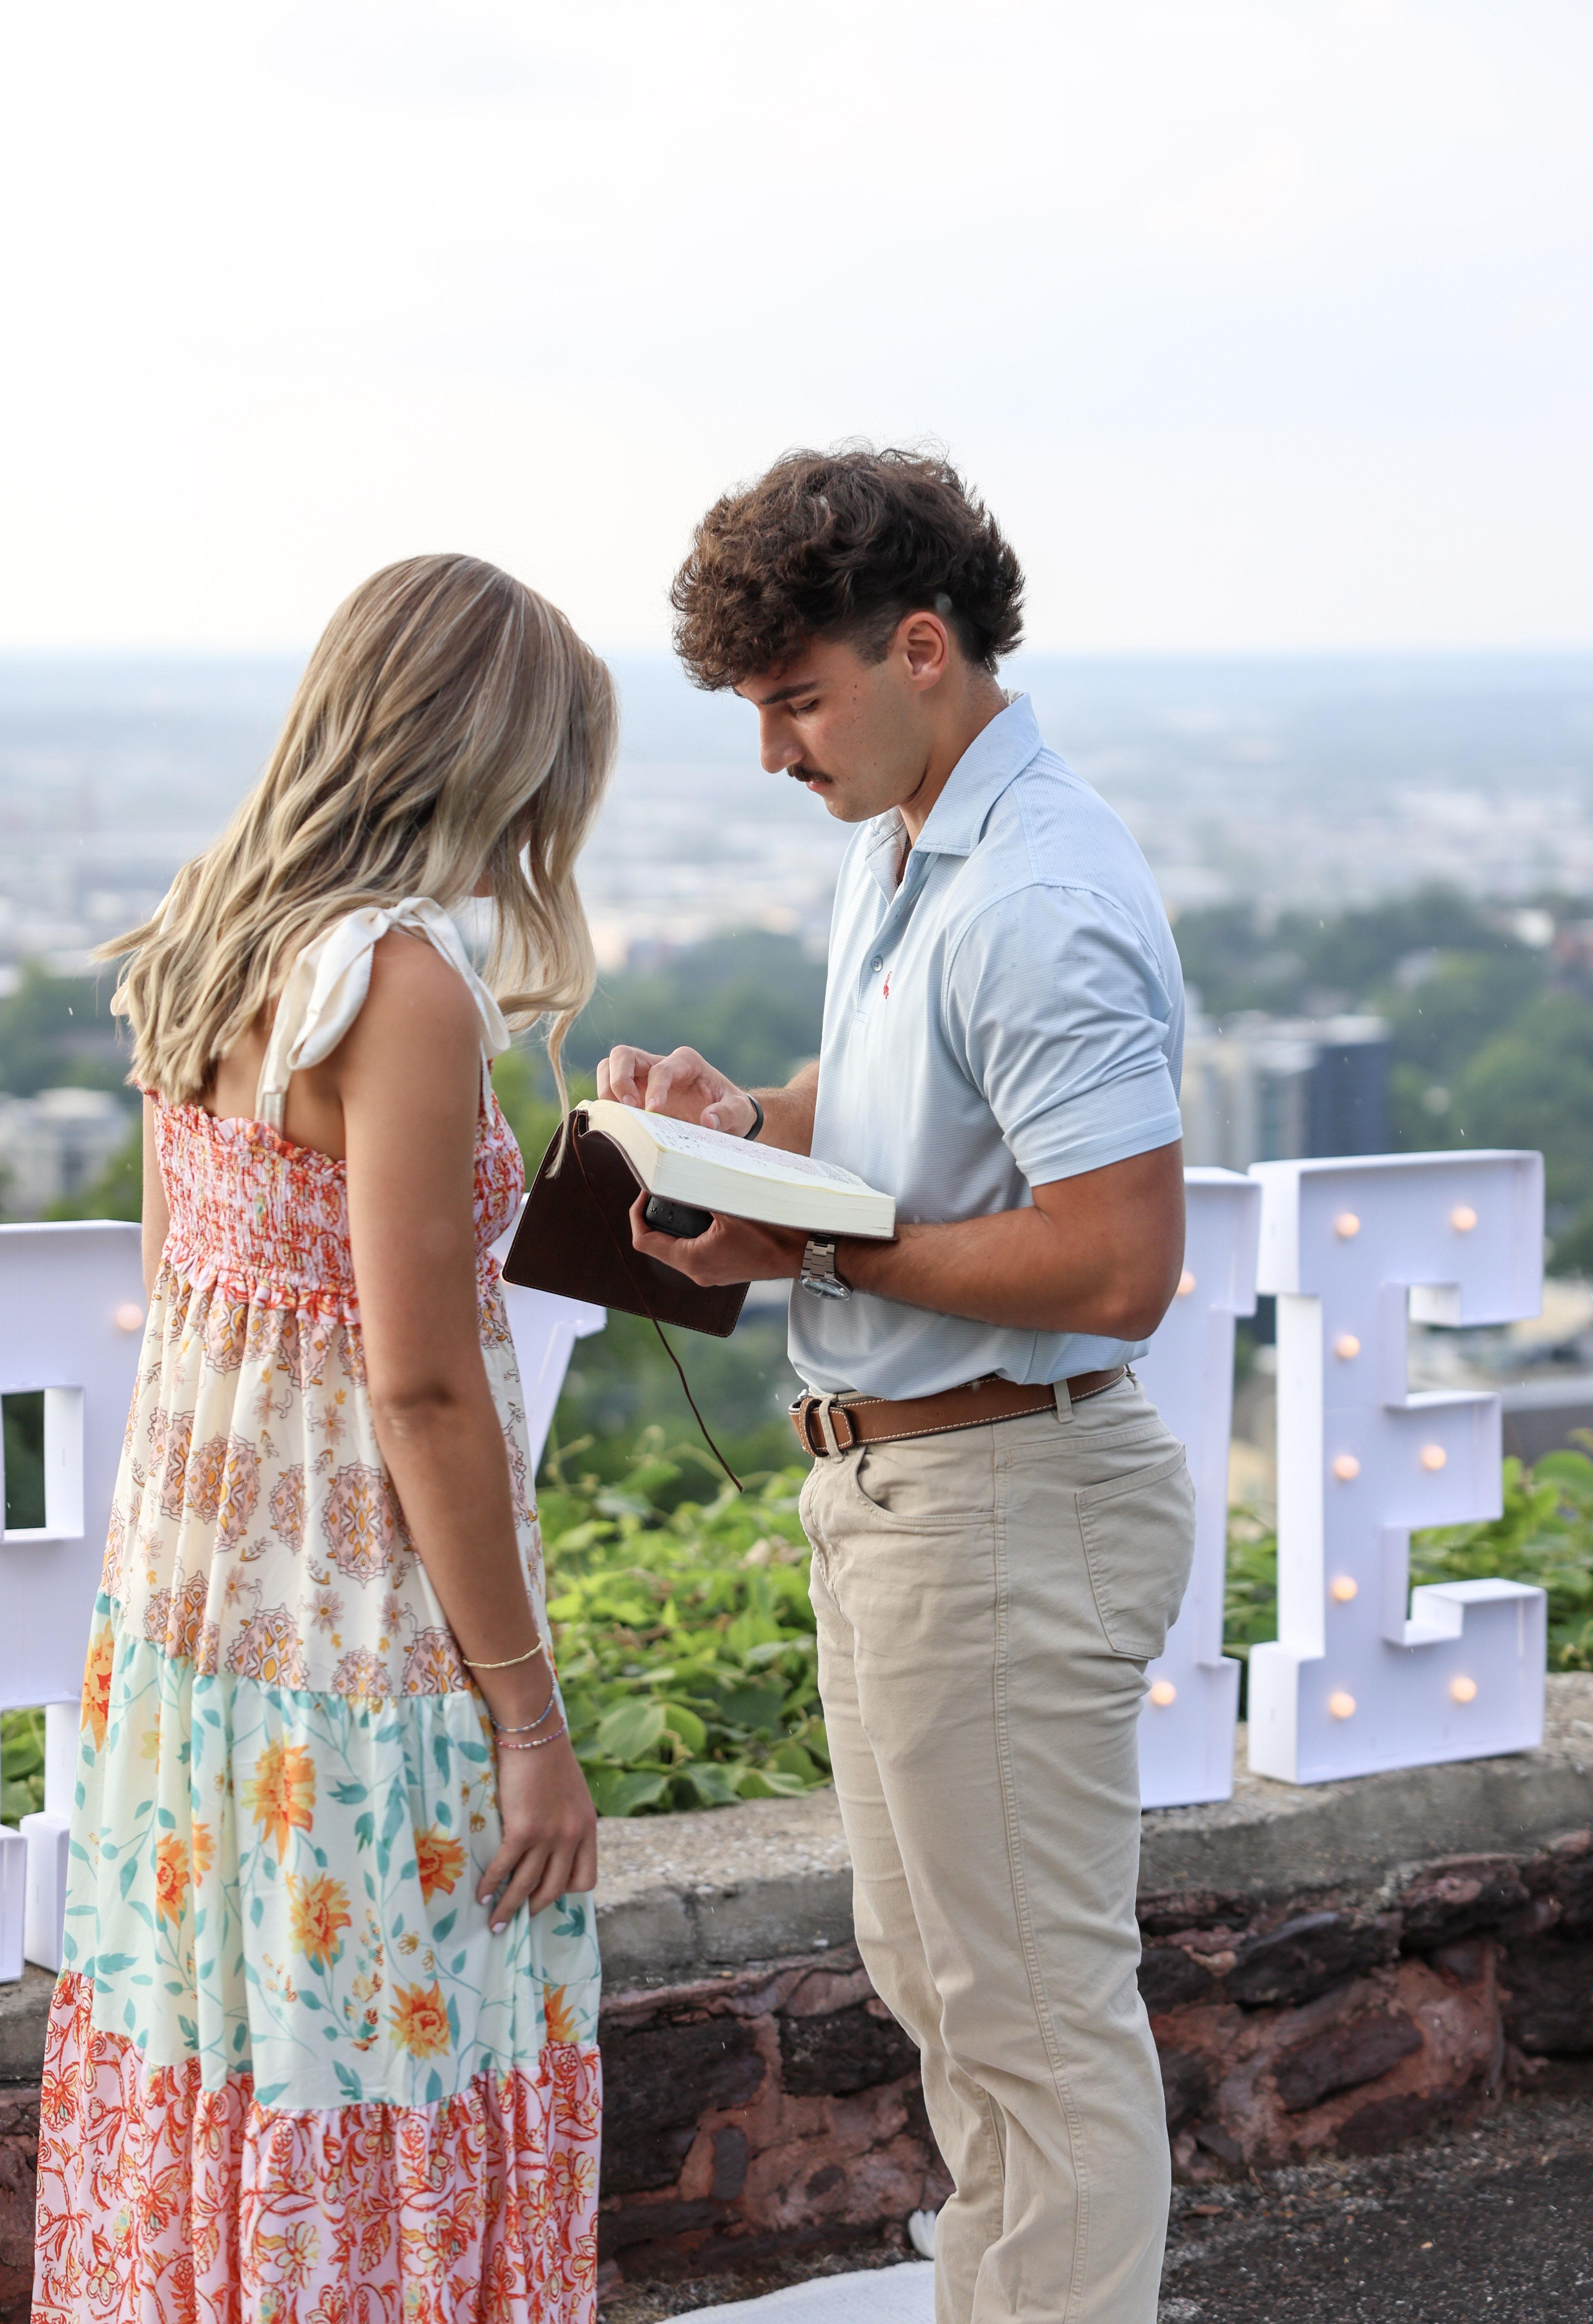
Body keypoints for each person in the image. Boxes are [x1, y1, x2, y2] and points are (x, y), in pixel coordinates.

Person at [598, 449, 1197, 2324]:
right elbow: (887, 1134)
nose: (772, 753)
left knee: (1035, 2026)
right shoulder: (902, 851)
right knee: (951, 1996)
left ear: (921, 649)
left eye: (795, 699)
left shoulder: (1035, 896)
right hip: (909, 1494)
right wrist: (734, 1131)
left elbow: (1119, 1263)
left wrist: (814, 1251)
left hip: (1007, 1493)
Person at [31, 554, 615, 2323]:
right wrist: (532, 1722)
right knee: (391, 2060)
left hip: (198, 1618)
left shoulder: (207, 927)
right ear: (483, 755)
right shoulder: (401, 984)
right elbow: (420, 1387)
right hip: (365, 1636)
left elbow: (182, 1277)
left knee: (223, 2055)